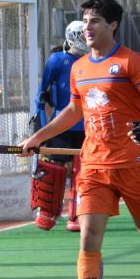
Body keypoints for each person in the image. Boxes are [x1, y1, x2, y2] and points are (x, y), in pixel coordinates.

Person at [19, 0, 140, 279]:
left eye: (95, 22)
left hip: (133, 164)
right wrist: (38, 137)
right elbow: (73, 113)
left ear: (113, 25)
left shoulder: (130, 62)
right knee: (89, 238)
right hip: (92, 165)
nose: (87, 28)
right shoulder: (78, 68)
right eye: (85, 21)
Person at [32, 20, 89, 232]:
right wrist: (41, 126)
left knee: (82, 172)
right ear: (72, 36)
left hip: (86, 126)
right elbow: (41, 94)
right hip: (62, 124)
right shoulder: (57, 60)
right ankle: (47, 211)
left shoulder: (92, 61)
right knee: (53, 168)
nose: (86, 39)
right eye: (81, 35)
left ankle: (76, 214)